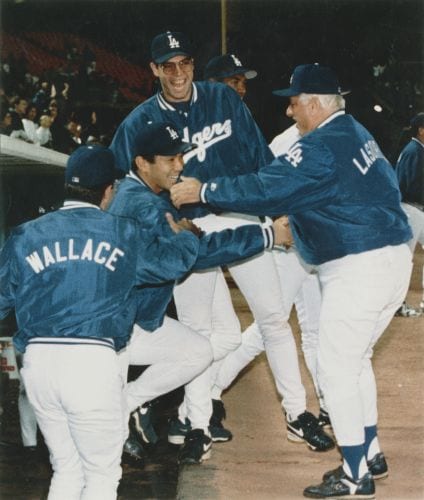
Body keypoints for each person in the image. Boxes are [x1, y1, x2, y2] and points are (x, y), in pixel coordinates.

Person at [171, 63, 413, 499]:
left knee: (336, 370)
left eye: (295, 102)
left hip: (359, 267)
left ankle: (355, 474)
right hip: (392, 259)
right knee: (355, 362)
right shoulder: (356, 132)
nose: (289, 111)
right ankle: (370, 453)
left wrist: (203, 191)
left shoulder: (320, 145)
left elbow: (266, 188)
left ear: (316, 105)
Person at [110, 31, 333, 463]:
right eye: (168, 66)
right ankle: (198, 425)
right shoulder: (139, 121)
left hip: (238, 214)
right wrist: (159, 224)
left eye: (184, 63)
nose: (178, 73)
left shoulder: (223, 98)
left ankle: (296, 413)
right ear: (154, 69)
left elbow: (259, 158)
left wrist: (277, 211)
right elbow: (123, 180)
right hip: (190, 230)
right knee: (199, 331)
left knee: (272, 317)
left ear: (194, 65)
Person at [0, 144, 203, 500]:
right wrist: (186, 237)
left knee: (66, 471)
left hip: (39, 365)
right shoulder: (123, 232)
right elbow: (169, 264)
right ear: (109, 190)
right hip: (91, 363)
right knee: (101, 476)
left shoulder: (26, 234)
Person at [109, 121, 290, 465]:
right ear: (142, 163)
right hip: (123, 327)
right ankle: (127, 406)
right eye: (170, 159)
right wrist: (267, 235)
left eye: (181, 157)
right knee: (197, 351)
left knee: (211, 343)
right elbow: (198, 255)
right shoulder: (147, 206)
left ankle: (133, 404)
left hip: (131, 317)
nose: (180, 165)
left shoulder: (142, 194)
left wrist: (190, 237)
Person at [205, 55, 331, 430]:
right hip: (287, 247)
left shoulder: (329, 138)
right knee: (267, 328)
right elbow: (267, 191)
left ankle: (327, 403)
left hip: (313, 247)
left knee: (313, 330)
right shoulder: (285, 141)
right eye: (233, 81)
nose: (241, 88)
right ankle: (211, 389)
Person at [395, 112, 424, 314]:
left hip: (416, 210)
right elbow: (410, 186)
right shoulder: (415, 151)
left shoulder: (416, 150)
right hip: (411, 210)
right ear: (421, 130)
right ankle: (397, 304)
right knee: (403, 259)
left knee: (404, 258)